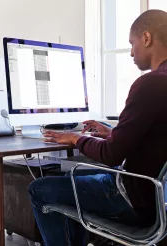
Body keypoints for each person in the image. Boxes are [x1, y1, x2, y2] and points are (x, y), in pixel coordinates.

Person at [28, 9, 167, 246]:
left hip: (134, 199)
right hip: (157, 198)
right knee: (71, 177)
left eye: (132, 44)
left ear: (146, 38)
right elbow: (155, 138)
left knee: (39, 189)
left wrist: (75, 139)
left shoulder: (150, 83)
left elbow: (110, 154)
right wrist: (113, 133)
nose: (132, 53)